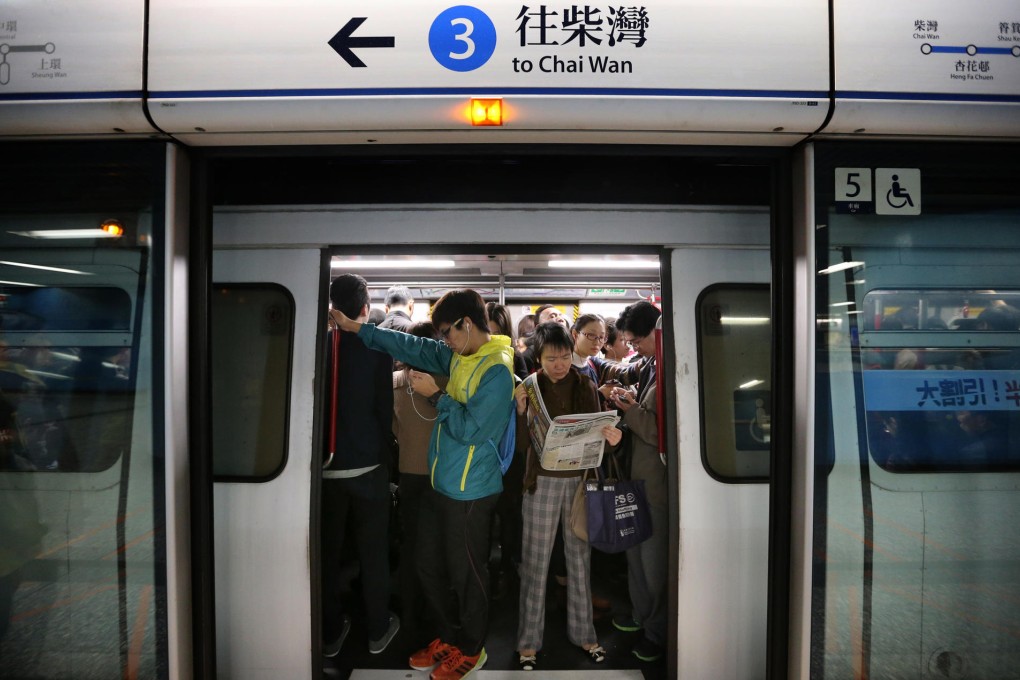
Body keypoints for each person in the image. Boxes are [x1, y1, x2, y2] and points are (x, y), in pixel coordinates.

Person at [330, 288, 515, 680]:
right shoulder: (460, 355)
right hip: (441, 483)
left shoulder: (497, 370)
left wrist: (439, 395)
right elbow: (409, 344)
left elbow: (471, 431)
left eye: (448, 331)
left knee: (468, 575)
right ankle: (449, 637)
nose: (443, 340)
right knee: (428, 566)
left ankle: (471, 648)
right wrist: (357, 329)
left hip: (472, 493)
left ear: (466, 325)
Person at [513, 323, 621, 671]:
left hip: (578, 482)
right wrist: (517, 412)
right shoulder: (528, 388)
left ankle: (585, 634)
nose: (559, 364)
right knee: (535, 564)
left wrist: (609, 436)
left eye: (563, 357)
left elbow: (597, 435)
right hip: (540, 482)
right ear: (538, 358)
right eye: (551, 358)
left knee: (579, 561)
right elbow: (519, 443)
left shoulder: (585, 384)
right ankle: (528, 643)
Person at [321, 274, 400, 658]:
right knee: (373, 553)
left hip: (322, 469)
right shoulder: (375, 347)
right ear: (366, 309)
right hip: (368, 465)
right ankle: (377, 629)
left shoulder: (316, 344)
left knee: (328, 554)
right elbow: (383, 410)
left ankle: (331, 632)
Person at [603, 302, 668, 663]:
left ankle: (658, 633)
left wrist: (630, 409)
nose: (632, 347)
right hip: (637, 477)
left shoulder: (671, 370)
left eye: (636, 340)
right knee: (636, 553)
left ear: (654, 335)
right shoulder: (649, 366)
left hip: (656, 482)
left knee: (654, 560)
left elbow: (662, 433)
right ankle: (643, 616)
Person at [392, 321, 448, 649]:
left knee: (411, 546)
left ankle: (411, 616)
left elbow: (394, 429)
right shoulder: (449, 383)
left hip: (409, 474)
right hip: (444, 476)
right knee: (439, 549)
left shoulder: (395, 383)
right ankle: (438, 617)